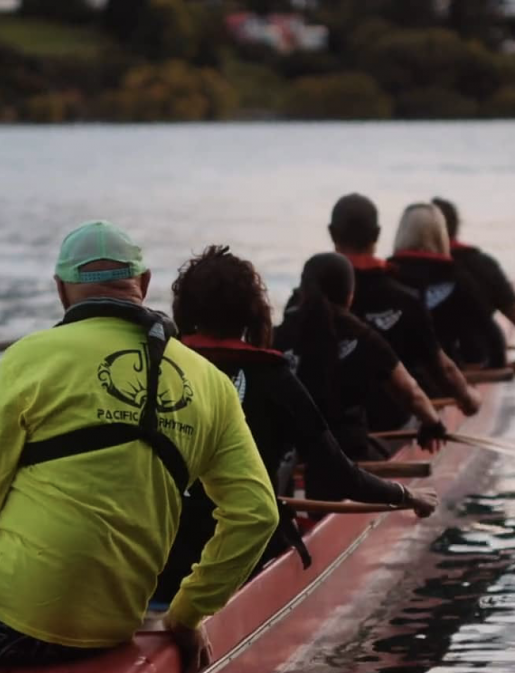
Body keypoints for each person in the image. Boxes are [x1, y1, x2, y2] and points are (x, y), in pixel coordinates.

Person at [0, 221, 279, 673]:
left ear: (62, 290)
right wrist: (187, 613)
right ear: (143, 284)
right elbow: (257, 514)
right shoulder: (211, 383)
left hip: (11, 607)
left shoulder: (30, 357)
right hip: (113, 622)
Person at [153, 246, 439, 604]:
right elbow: (338, 474)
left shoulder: (152, 370)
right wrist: (406, 495)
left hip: (154, 561)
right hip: (238, 560)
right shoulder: (273, 378)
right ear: (252, 311)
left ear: (185, 310)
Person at [324, 193, 482, 429]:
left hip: (327, 426)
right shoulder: (404, 299)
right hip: (391, 422)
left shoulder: (306, 296)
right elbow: (442, 368)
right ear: (377, 234)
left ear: (331, 233)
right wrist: (469, 399)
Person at [274, 253, 449, 463]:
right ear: (350, 296)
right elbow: (411, 393)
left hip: (287, 458)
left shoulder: (275, 336)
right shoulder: (363, 337)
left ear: (302, 292)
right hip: (350, 457)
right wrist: (433, 425)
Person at [389, 204, 507, 368]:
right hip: (446, 374)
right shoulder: (456, 276)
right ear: (440, 234)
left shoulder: (386, 273)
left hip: (396, 373)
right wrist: (497, 365)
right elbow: (490, 333)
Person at [432, 196, 515, 350]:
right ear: (455, 226)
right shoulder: (481, 264)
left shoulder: (402, 269)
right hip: (477, 355)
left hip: (421, 358)